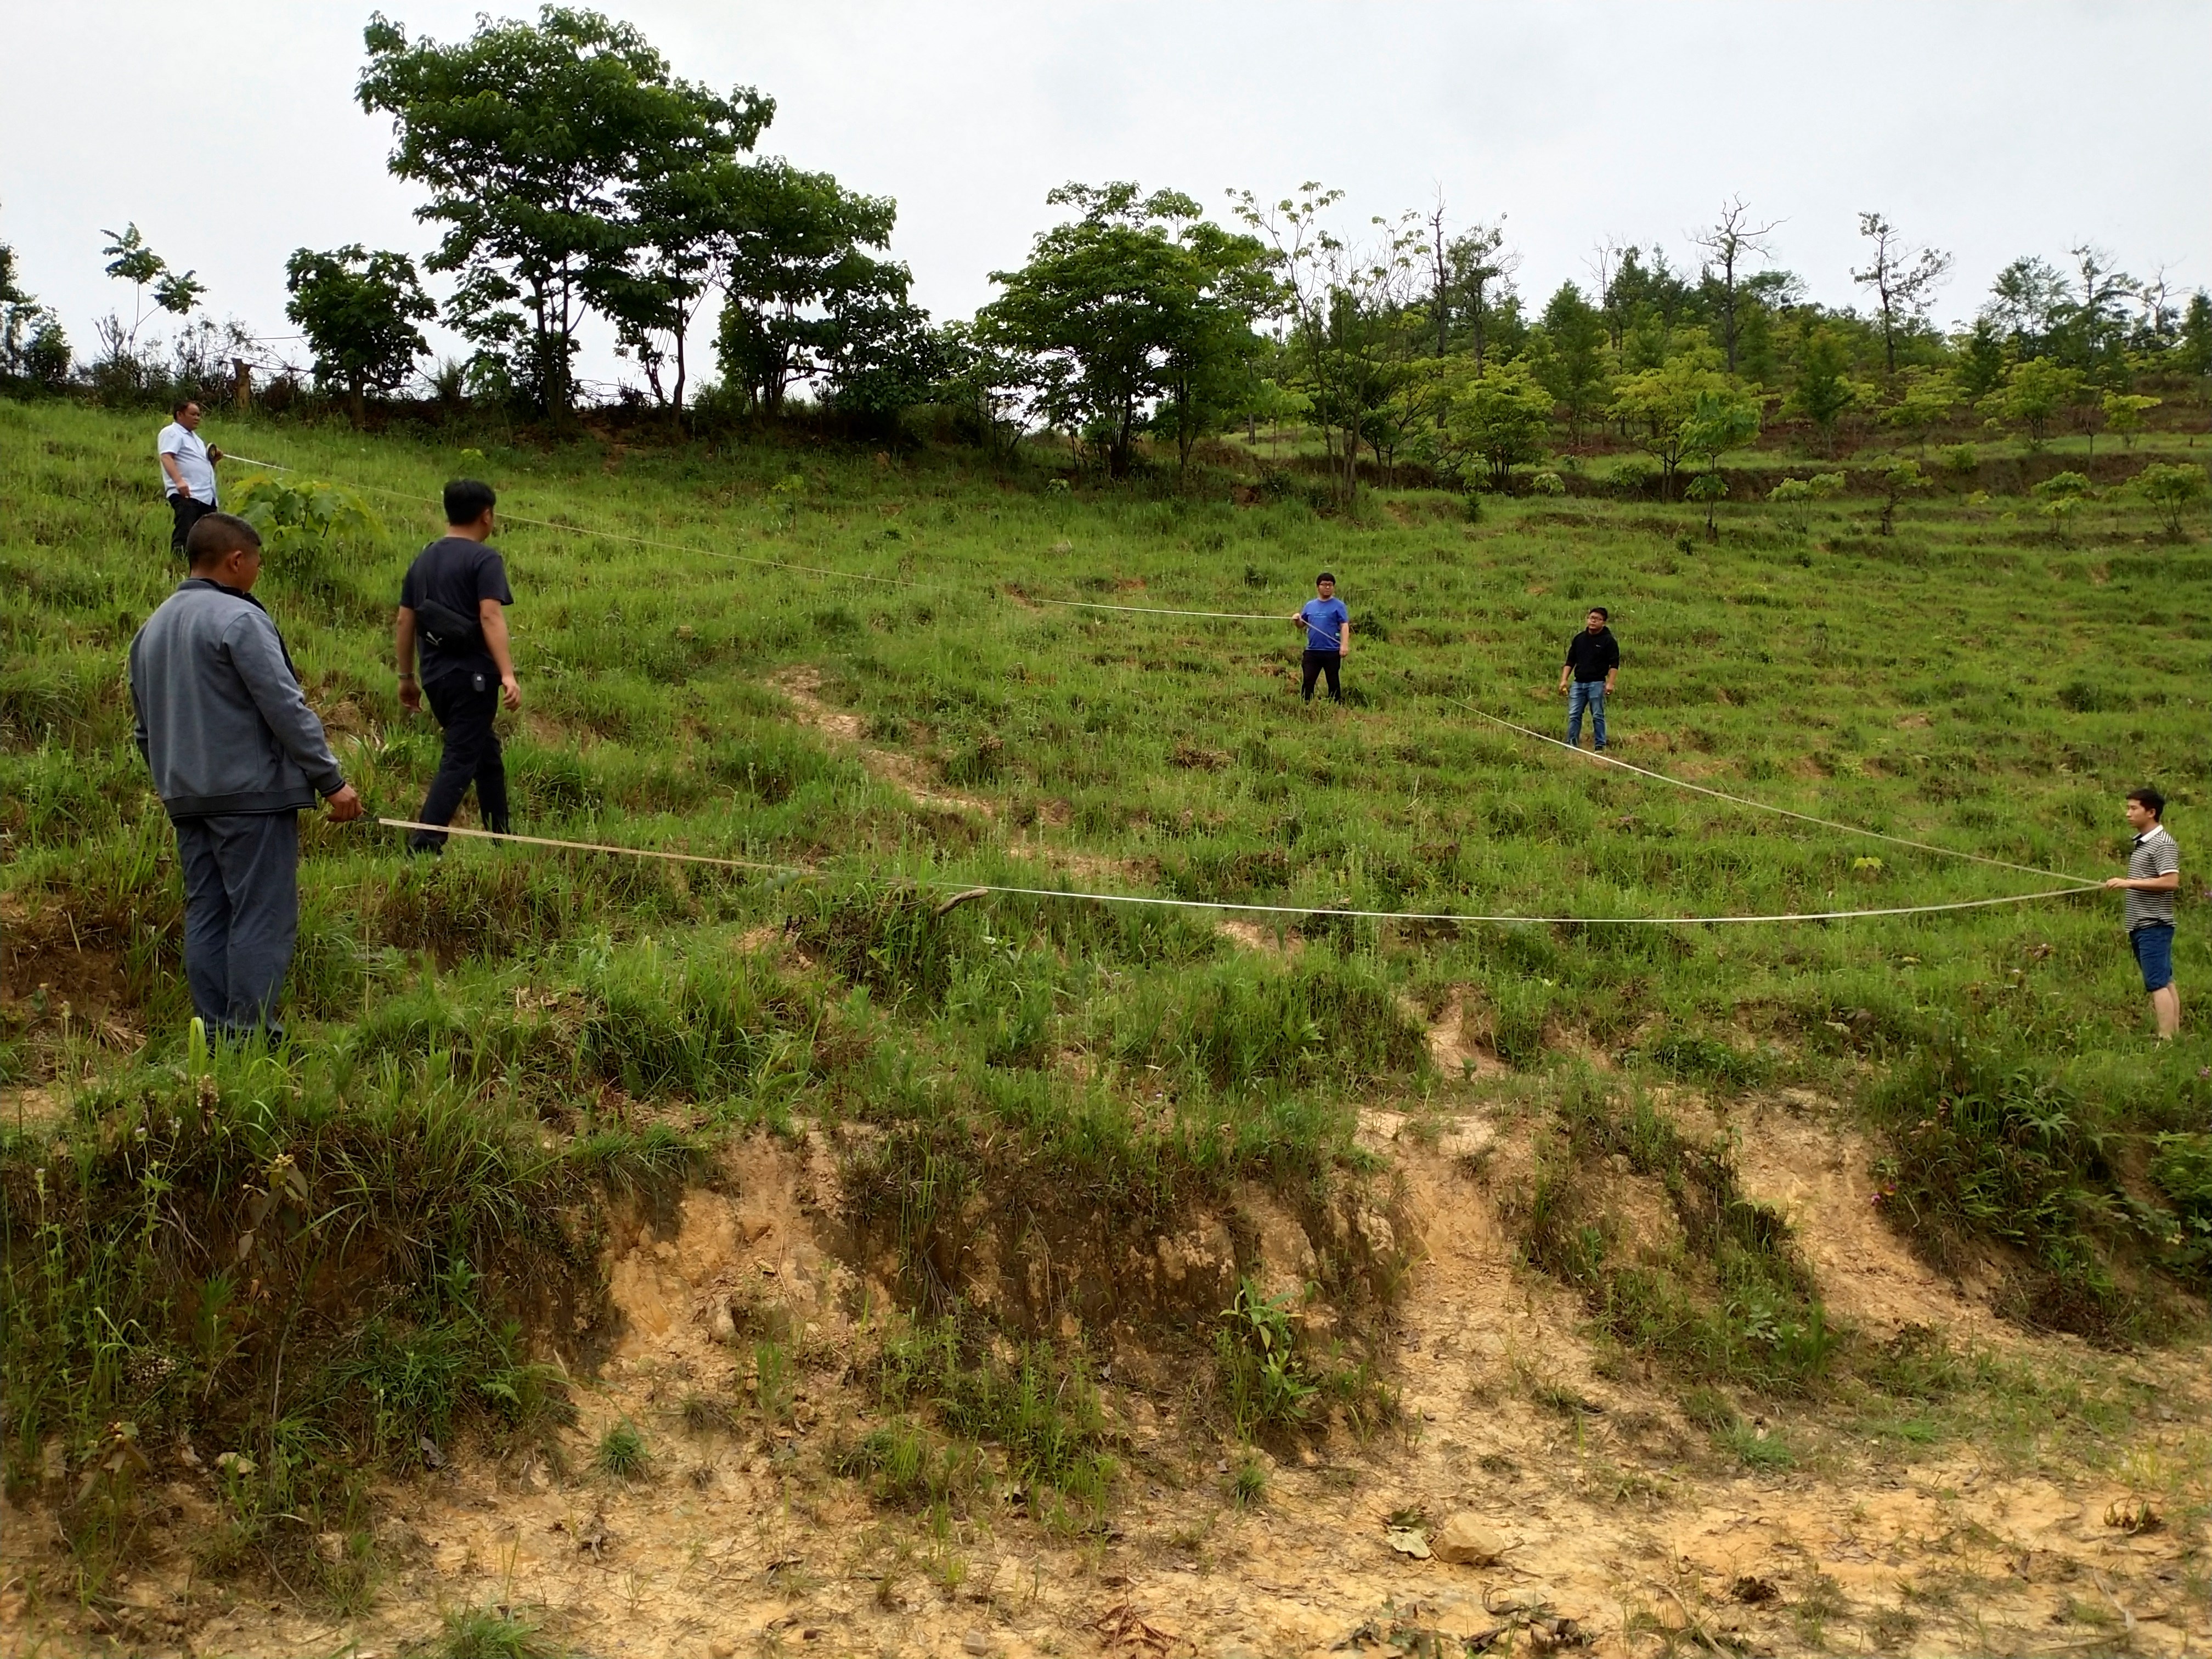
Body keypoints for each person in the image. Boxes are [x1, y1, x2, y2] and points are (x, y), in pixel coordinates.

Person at [128, 513, 363, 1039]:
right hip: (251, 799)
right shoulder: (239, 620)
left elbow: (145, 732)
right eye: (257, 562)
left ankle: (211, 1038)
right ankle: (250, 1039)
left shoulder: (151, 629)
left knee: (208, 912)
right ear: (237, 561)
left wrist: (176, 781)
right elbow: (285, 707)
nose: (258, 571)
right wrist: (330, 780)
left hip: (186, 798)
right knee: (261, 916)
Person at [395, 479, 520, 854]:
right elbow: (490, 616)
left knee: (486, 755)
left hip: (436, 679)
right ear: (487, 516)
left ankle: (502, 838)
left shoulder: (424, 559)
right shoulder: (485, 559)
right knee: (461, 759)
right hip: (474, 680)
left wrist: (406, 677)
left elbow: (405, 621)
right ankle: (425, 842)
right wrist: (509, 674)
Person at [2106, 786, 2181, 1039]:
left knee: (2157, 983)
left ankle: (2166, 1038)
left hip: (2154, 924)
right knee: (2165, 980)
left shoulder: (2162, 843)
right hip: (2142, 924)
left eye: (2133, 808)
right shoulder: (2143, 843)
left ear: (2151, 812)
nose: (2128, 813)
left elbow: (2170, 882)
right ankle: (2174, 1035)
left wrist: (2128, 883)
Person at [157, 399, 224, 554]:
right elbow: (166, 456)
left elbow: (203, 466)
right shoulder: (172, 432)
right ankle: (178, 563)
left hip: (205, 495)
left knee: (206, 536)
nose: (197, 418)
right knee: (185, 532)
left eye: (199, 415)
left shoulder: (197, 439)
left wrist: (214, 461)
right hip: (187, 493)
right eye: (193, 414)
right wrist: (179, 482)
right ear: (180, 415)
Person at [1559, 606, 1621, 752]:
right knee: (1574, 714)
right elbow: (1570, 661)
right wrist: (1564, 680)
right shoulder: (1579, 639)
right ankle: (1572, 744)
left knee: (1597, 714)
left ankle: (1600, 745)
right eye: (1591, 618)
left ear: (1604, 623)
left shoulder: (1608, 641)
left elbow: (1614, 664)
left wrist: (1610, 683)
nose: (1593, 621)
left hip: (1597, 683)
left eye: (1597, 619)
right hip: (1579, 682)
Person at [1293, 571, 1351, 703]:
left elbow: (1344, 625)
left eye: (1330, 585)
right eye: (1324, 585)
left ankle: (1336, 706)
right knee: (1308, 680)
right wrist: (1297, 620)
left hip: (1332, 651)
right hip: (1312, 651)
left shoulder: (1339, 606)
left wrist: (1344, 645)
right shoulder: (1310, 605)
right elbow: (1302, 624)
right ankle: (1306, 705)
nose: (1327, 587)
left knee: (1333, 680)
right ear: (1318, 587)